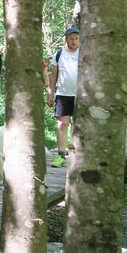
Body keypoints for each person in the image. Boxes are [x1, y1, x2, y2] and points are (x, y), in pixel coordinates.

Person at [48, 27, 80, 167]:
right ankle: (61, 156)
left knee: (79, 126)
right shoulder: (59, 54)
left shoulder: (84, 53)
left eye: (77, 39)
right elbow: (53, 75)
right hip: (62, 94)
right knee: (62, 124)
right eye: (71, 38)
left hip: (81, 95)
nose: (74, 41)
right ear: (66, 39)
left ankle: (78, 156)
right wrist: (50, 93)